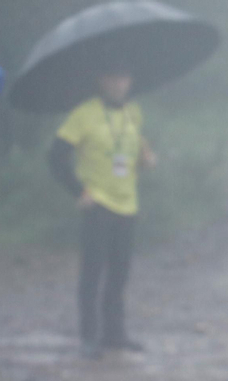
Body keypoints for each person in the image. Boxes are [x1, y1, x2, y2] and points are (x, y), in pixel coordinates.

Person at [50, 66, 156, 359]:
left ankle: (114, 333)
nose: (119, 83)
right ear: (101, 81)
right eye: (113, 77)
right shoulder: (84, 113)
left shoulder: (134, 112)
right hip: (97, 204)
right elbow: (56, 157)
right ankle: (88, 336)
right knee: (92, 273)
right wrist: (78, 191)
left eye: (124, 77)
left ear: (130, 81)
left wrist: (146, 160)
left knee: (120, 273)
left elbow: (137, 152)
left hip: (127, 204)